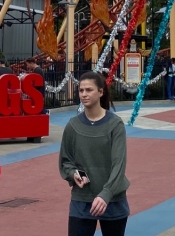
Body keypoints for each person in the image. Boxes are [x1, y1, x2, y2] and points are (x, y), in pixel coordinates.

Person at [59, 71, 129, 236]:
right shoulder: (73, 126)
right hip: (82, 200)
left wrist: (106, 194)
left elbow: (119, 165)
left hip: (113, 200)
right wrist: (73, 173)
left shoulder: (115, 125)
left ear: (100, 92)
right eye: (81, 90)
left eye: (89, 90)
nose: (84, 94)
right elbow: (66, 160)